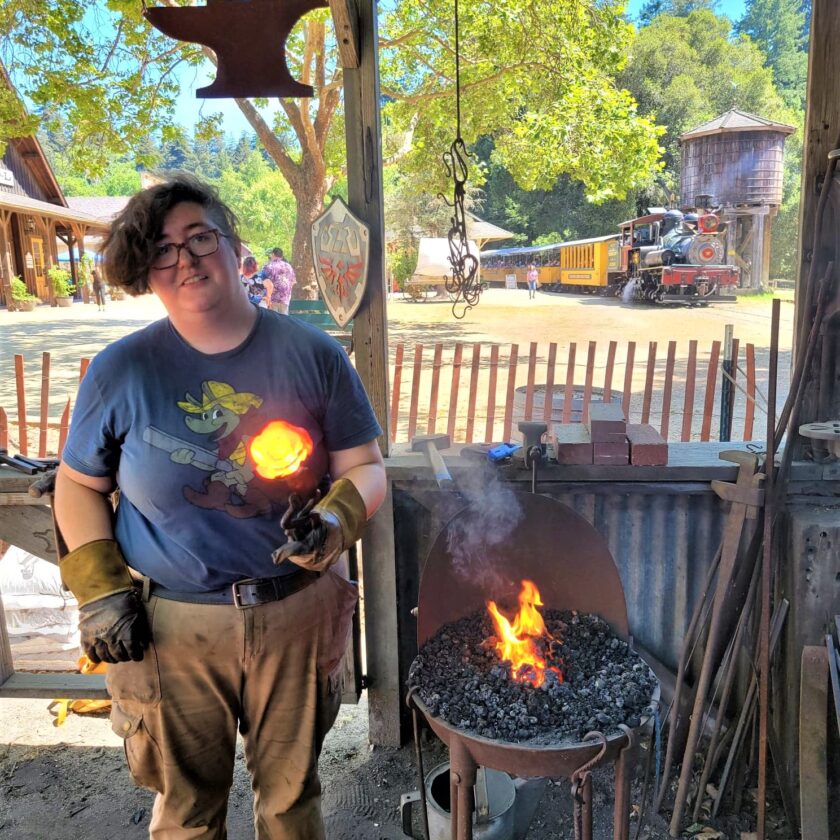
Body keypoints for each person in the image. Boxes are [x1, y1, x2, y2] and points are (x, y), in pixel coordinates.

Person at [53, 173, 386, 839]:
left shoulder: (312, 354)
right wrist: (100, 592)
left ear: (237, 251)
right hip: (171, 627)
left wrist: (334, 520)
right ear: (148, 272)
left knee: (291, 804)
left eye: (200, 238)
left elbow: (367, 468)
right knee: (185, 811)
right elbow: (77, 485)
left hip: (295, 610)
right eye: (164, 249)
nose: (185, 259)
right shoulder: (120, 370)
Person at [263, 247, 296, 315]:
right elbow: (293, 282)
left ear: (273, 254)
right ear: (281, 256)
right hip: (285, 298)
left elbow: (264, 281)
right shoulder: (288, 266)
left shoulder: (269, 266)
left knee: (274, 320)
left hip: (273, 298)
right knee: (284, 320)